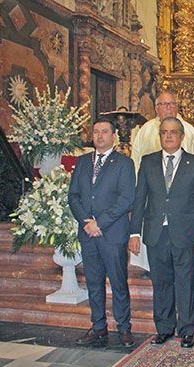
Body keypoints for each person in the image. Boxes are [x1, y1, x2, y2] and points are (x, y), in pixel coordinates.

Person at [128, 117, 194, 348]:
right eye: (164, 132)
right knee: (161, 283)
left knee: (185, 282)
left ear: (182, 136)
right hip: (156, 233)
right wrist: (134, 232)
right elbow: (139, 198)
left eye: (174, 132)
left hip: (185, 233)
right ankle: (164, 328)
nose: (169, 136)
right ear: (160, 135)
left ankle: (186, 330)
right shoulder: (148, 162)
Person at [68, 118, 136, 347]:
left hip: (112, 233)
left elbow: (127, 198)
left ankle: (124, 328)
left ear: (113, 136)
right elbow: (73, 196)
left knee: (118, 282)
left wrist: (101, 223)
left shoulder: (124, 163)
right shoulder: (83, 161)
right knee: (94, 282)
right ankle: (98, 326)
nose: (99, 136)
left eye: (104, 132)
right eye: (96, 132)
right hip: (87, 233)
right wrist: (86, 222)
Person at [129, 92, 194, 277]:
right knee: (152, 230)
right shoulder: (145, 130)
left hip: (180, 198)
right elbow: (136, 159)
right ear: (156, 108)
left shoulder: (188, 131)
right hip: (153, 193)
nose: (168, 108)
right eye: (163, 104)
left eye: (171, 103)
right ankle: (151, 267)